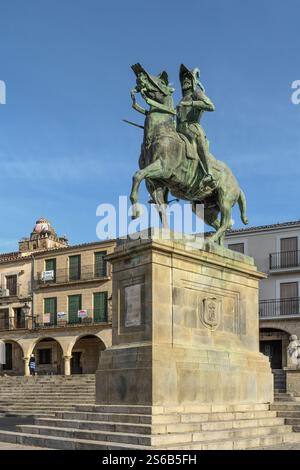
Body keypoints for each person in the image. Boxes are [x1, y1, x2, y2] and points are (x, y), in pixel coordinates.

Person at [176, 64, 216, 189]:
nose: (185, 81)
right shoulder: (180, 100)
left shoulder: (196, 94)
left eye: (188, 78)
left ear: (193, 81)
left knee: (199, 141)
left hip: (193, 127)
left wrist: (192, 103)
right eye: (183, 79)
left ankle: (209, 174)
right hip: (179, 130)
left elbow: (211, 106)